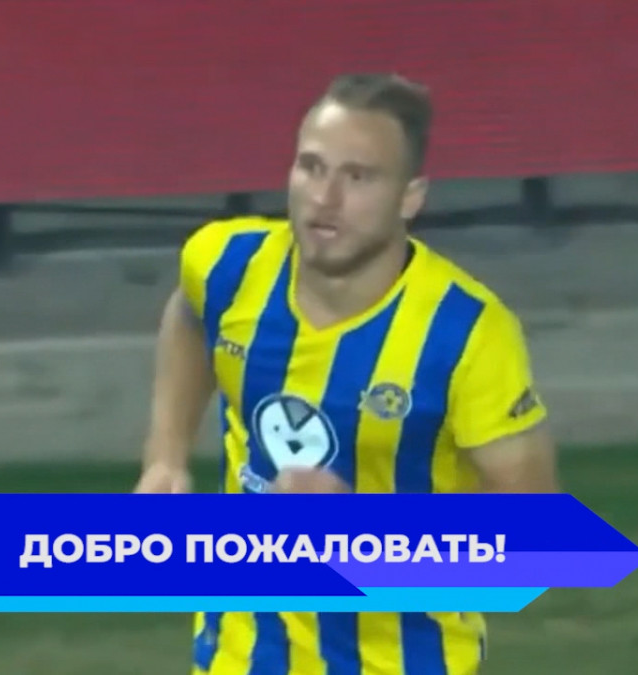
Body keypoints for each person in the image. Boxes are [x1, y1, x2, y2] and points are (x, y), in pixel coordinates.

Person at [134, 72, 560, 675]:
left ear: (410, 198)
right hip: (239, 657)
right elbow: (188, 313)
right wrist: (166, 455)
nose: (324, 198)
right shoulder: (228, 265)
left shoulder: (465, 335)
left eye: (358, 177)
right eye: (311, 168)